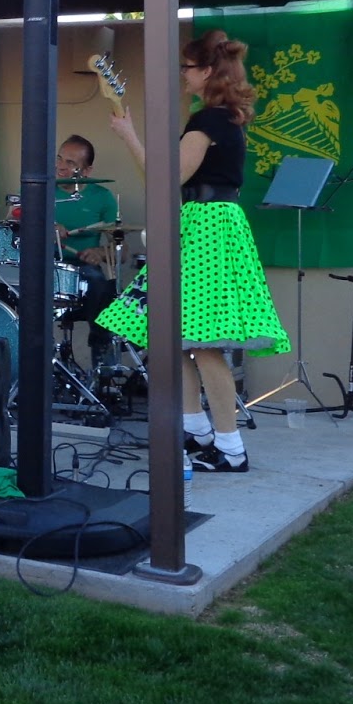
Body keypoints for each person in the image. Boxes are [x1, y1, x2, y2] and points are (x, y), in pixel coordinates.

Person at [97, 29, 289, 473]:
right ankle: (197, 430)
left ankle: (230, 447)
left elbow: (167, 177)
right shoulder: (221, 120)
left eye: (187, 67)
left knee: (203, 344)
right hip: (206, 225)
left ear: (207, 71)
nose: (183, 74)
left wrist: (129, 135)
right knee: (177, 339)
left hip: (206, 229)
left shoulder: (209, 122)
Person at [53, 135, 120, 373]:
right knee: (1, 285)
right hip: (44, 264)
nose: (61, 166)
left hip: (82, 270)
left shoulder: (102, 197)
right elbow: (14, 227)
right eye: (59, 158)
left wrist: (100, 252)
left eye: (70, 163)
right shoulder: (39, 191)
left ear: (87, 170)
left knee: (102, 285)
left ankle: (103, 370)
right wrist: (42, 226)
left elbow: (119, 249)